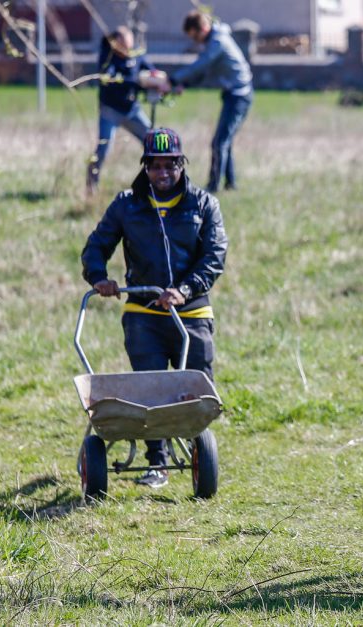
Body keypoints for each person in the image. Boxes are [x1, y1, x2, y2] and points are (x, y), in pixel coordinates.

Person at [81, 127, 228, 488]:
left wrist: (184, 289)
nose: (163, 173)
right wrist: (100, 277)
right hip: (143, 313)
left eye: (171, 165)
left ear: (182, 164)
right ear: (145, 167)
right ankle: (157, 463)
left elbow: (214, 255)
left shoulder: (203, 204)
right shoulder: (126, 205)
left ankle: (198, 451)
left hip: (191, 313)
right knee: (150, 389)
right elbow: (95, 247)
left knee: (194, 388)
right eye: (155, 166)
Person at [169, 10, 253, 194]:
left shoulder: (218, 41)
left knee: (219, 142)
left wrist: (174, 79)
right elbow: (205, 72)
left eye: (196, 36)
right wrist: (186, 82)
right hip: (232, 94)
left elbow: (202, 64)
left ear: (204, 28)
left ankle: (213, 186)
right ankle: (231, 184)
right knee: (225, 141)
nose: (196, 41)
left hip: (240, 95)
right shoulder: (214, 39)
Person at [86, 26, 158, 194]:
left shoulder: (137, 56)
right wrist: (136, 82)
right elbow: (110, 79)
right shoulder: (108, 57)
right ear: (115, 43)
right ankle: (91, 186)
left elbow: (151, 71)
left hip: (132, 111)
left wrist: (159, 81)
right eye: (124, 46)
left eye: (129, 46)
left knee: (152, 142)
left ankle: (155, 183)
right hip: (110, 110)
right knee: (103, 148)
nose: (127, 50)